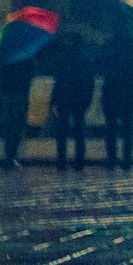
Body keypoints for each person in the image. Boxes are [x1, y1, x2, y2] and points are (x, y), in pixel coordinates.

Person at [46, 29, 96, 171]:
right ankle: (79, 161)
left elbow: (59, 81)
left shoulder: (65, 58)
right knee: (79, 131)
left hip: (64, 98)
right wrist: (88, 99)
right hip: (79, 98)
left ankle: (61, 161)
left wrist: (53, 99)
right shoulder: (85, 59)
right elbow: (89, 82)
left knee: (62, 131)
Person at [97, 27, 133, 170]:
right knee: (128, 126)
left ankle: (111, 159)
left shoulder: (109, 45)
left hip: (111, 89)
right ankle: (127, 160)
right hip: (129, 90)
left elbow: (100, 63)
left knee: (111, 126)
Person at [0, 54, 37, 170]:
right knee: (17, 127)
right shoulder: (26, 57)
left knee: (8, 126)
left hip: (7, 95)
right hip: (20, 95)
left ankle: (8, 157)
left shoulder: (5, 57)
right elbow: (31, 74)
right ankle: (11, 157)